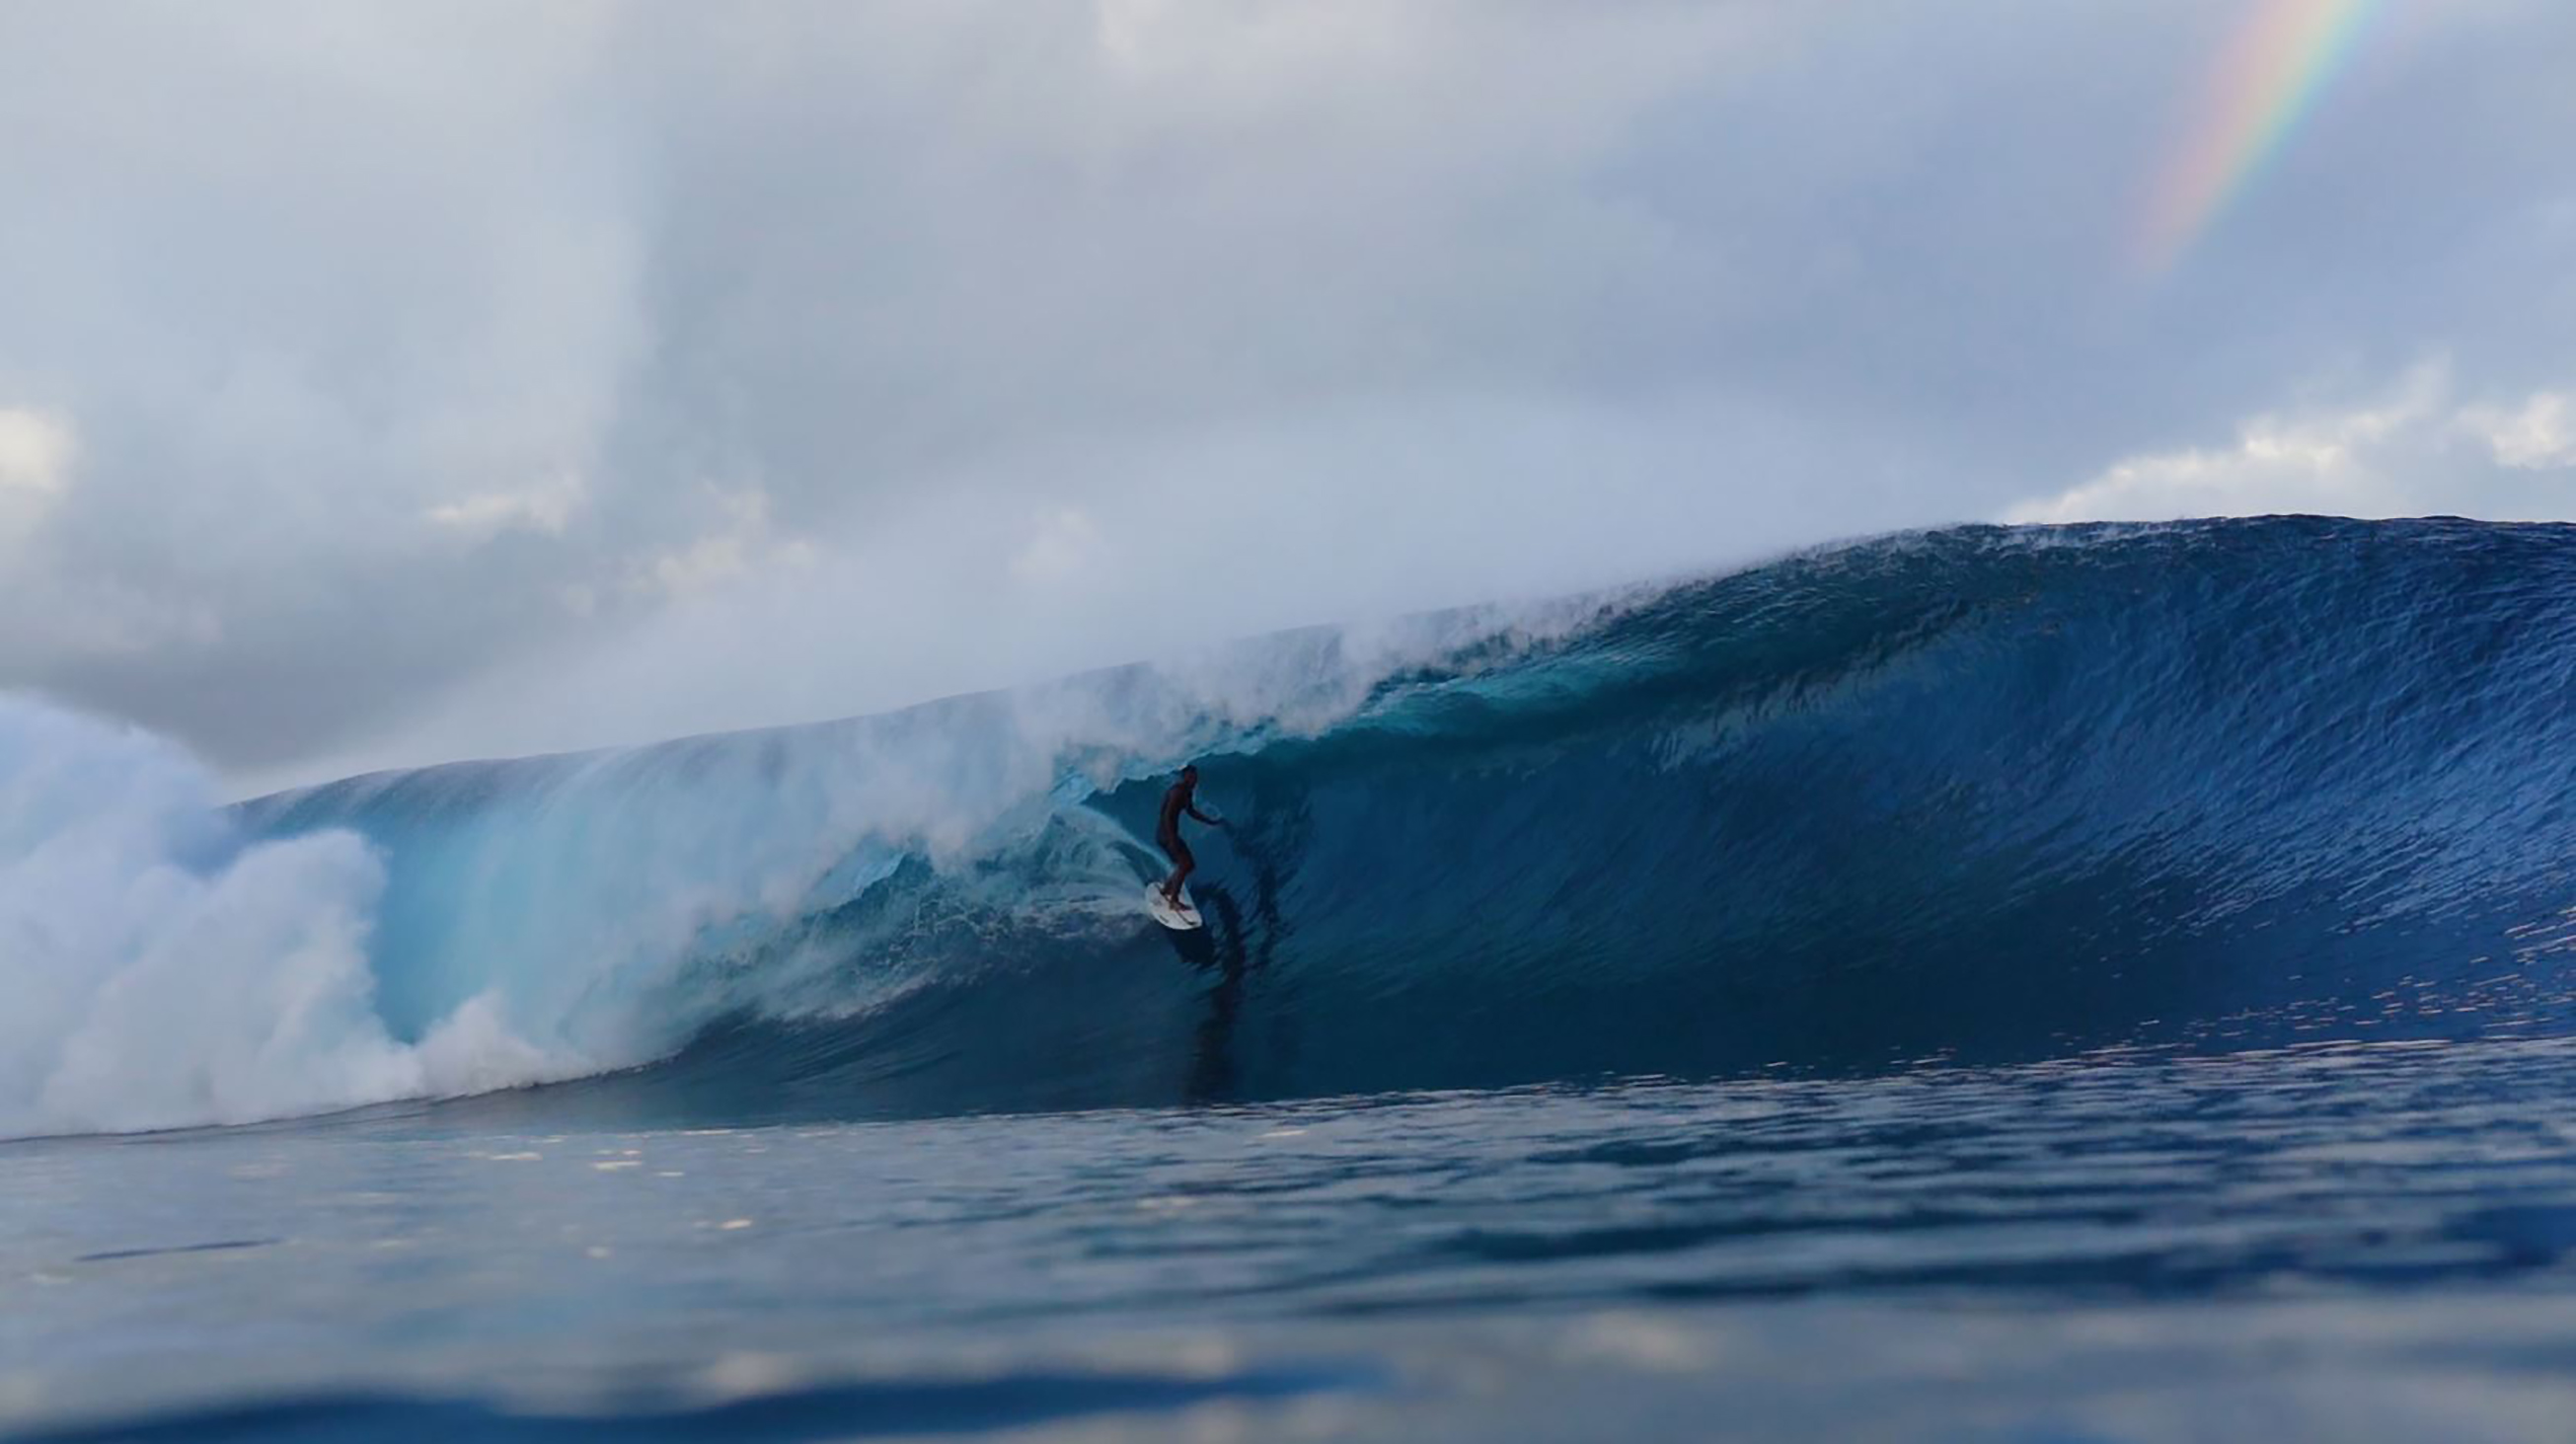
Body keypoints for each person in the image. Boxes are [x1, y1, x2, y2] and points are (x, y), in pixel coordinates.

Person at [1157, 765, 1226, 908]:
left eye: (1196, 777)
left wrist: (1210, 821)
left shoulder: (1187, 792)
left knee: (1187, 865)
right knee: (1185, 864)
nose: (1195, 780)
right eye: (1192, 777)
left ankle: (1167, 889)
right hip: (1166, 835)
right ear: (1185, 777)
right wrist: (1172, 840)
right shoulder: (1177, 792)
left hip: (1169, 835)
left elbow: (1191, 811)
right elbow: (1167, 816)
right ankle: (1173, 900)